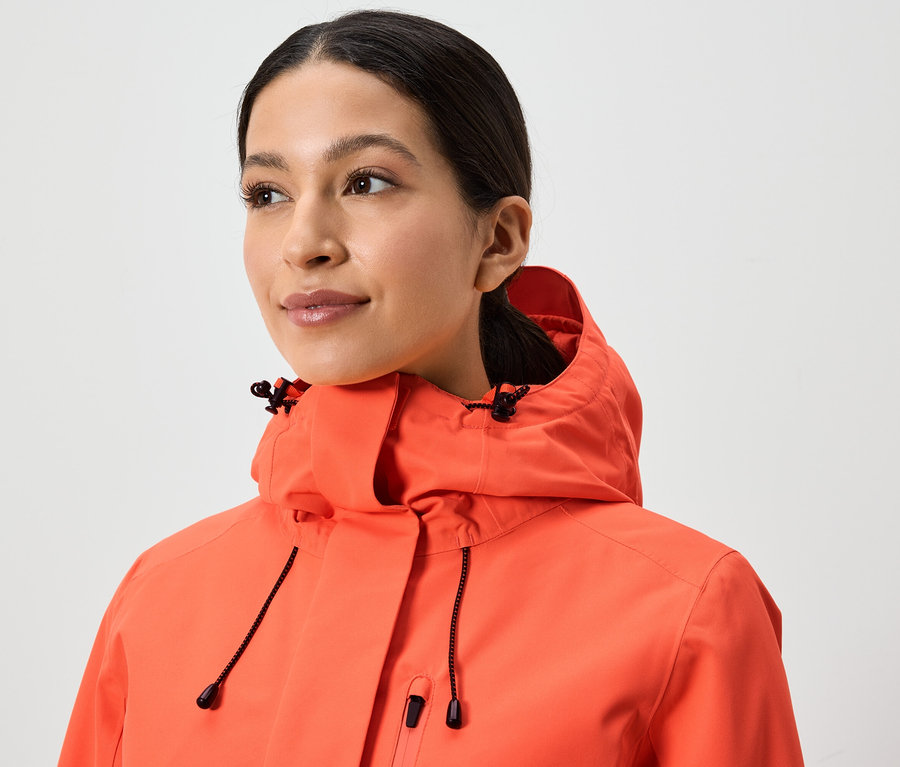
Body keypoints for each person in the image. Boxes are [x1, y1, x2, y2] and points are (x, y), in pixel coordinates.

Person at [59, 10, 804, 766]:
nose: (303, 242)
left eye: (366, 182)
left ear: (499, 238)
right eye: (267, 194)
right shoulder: (161, 597)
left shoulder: (685, 608)